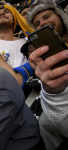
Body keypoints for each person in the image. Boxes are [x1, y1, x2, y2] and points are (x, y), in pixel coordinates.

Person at [26, 0, 68, 149]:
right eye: (37, 23)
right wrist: (54, 93)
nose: (42, 23)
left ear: (60, 16)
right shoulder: (41, 63)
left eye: (46, 16)